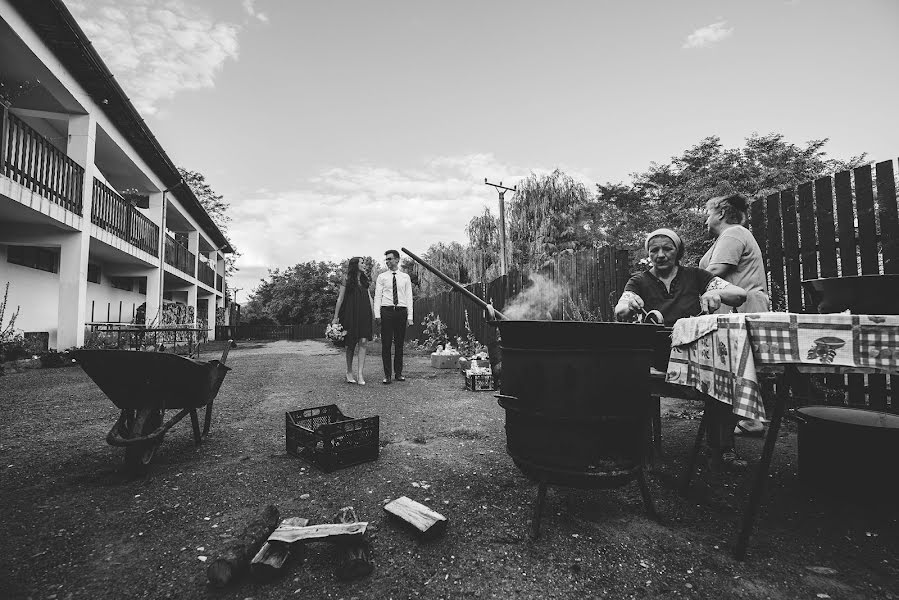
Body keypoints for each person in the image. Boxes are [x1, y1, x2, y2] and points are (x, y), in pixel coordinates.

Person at [615, 228, 750, 472]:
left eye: (667, 248)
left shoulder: (696, 276)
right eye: (654, 249)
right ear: (648, 253)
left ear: (678, 252)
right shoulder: (639, 280)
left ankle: (721, 449)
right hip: (659, 353)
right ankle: (644, 451)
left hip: (696, 350)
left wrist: (715, 292)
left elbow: (739, 295)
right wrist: (629, 304)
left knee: (723, 372)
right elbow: (620, 310)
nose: (660, 254)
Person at [701, 193, 770, 437]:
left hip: (741, 310)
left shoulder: (732, 233)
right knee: (740, 365)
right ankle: (749, 418)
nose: (706, 220)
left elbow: (715, 272)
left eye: (709, 213)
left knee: (737, 363)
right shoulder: (730, 236)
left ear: (720, 213)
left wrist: (685, 284)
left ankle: (749, 420)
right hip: (738, 310)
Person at [373, 249, 414, 385]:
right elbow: (377, 297)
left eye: (390, 259)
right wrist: (377, 315)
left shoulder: (405, 277)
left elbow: (409, 298)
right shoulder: (382, 277)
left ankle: (399, 373)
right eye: (386, 260)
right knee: (386, 344)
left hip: (401, 311)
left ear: (397, 259)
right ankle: (387, 375)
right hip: (387, 311)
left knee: (399, 344)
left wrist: (410, 317)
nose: (388, 262)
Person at [332, 257, 375, 385]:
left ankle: (360, 374)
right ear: (355, 265)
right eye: (362, 263)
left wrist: (373, 314)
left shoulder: (364, 280)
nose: (364, 265)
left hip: (364, 314)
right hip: (350, 315)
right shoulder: (346, 279)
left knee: (363, 342)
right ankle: (349, 372)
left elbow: (370, 298)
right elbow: (340, 299)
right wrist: (335, 318)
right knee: (350, 343)